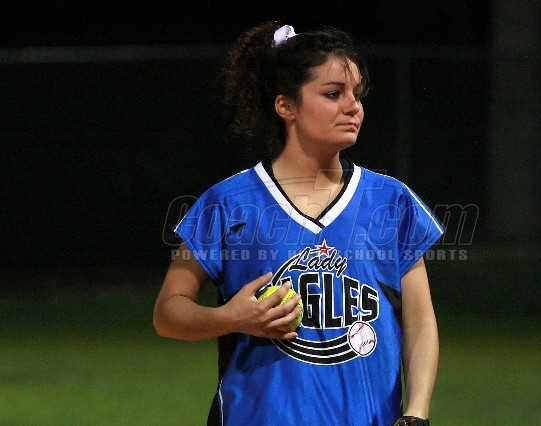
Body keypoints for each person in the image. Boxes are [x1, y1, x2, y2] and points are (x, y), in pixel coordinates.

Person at [153, 21, 443, 426]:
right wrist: (231, 318)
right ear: (286, 106)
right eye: (333, 94)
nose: (353, 107)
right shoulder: (229, 203)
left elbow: (420, 321)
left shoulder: (390, 201)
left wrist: (416, 413)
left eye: (356, 94)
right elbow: (168, 313)